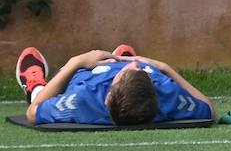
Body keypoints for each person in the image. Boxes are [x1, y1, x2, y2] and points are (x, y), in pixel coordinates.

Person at [16, 44, 216, 126]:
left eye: (132, 69)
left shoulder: (84, 99)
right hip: (133, 77)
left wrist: (76, 62)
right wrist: (163, 67)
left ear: (109, 94)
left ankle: (35, 84)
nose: (136, 65)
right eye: (139, 69)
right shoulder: (168, 95)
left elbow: (33, 113)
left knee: (57, 84)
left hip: (90, 74)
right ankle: (123, 57)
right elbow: (210, 110)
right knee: (129, 59)